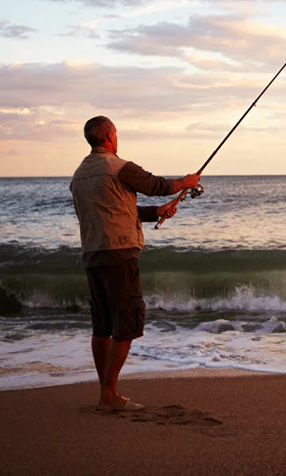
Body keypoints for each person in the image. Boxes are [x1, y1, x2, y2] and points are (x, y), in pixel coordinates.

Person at [70, 116, 200, 411]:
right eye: (115, 132)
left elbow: (115, 209)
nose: (117, 137)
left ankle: (106, 391)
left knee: (102, 326)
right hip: (120, 253)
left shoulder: (79, 175)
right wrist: (187, 181)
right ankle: (110, 395)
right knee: (127, 324)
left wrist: (157, 212)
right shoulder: (119, 167)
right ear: (108, 136)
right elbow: (157, 184)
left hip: (93, 254)